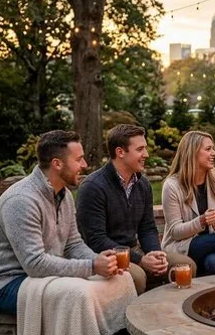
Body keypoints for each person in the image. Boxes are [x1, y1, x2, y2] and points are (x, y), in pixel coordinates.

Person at [0, 130, 134, 335]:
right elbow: (34, 264)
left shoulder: (63, 195)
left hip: (38, 275)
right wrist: (90, 268)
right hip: (6, 283)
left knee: (121, 280)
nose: (85, 164)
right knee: (76, 296)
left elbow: (74, 244)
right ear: (57, 164)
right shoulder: (21, 200)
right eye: (79, 159)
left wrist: (100, 260)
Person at [76, 124, 196, 295]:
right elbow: (96, 240)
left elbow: (147, 227)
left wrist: (156, 254)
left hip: (134, 250)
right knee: (137, 276)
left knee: (185, 266)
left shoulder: (142, 184)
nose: (146, 155)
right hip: (105, 256)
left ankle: (165, 313)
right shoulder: (93, 187)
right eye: (140, 149)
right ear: (120, 152)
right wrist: (140, 260)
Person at [161, 131, 215, 275]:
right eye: (208, 149)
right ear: (192, 152)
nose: (214, 153)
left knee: (214, 262)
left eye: (213, 148)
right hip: (182, 246)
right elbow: (175, 232)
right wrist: (201, 221)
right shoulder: (172, 185)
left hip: (211, 243)